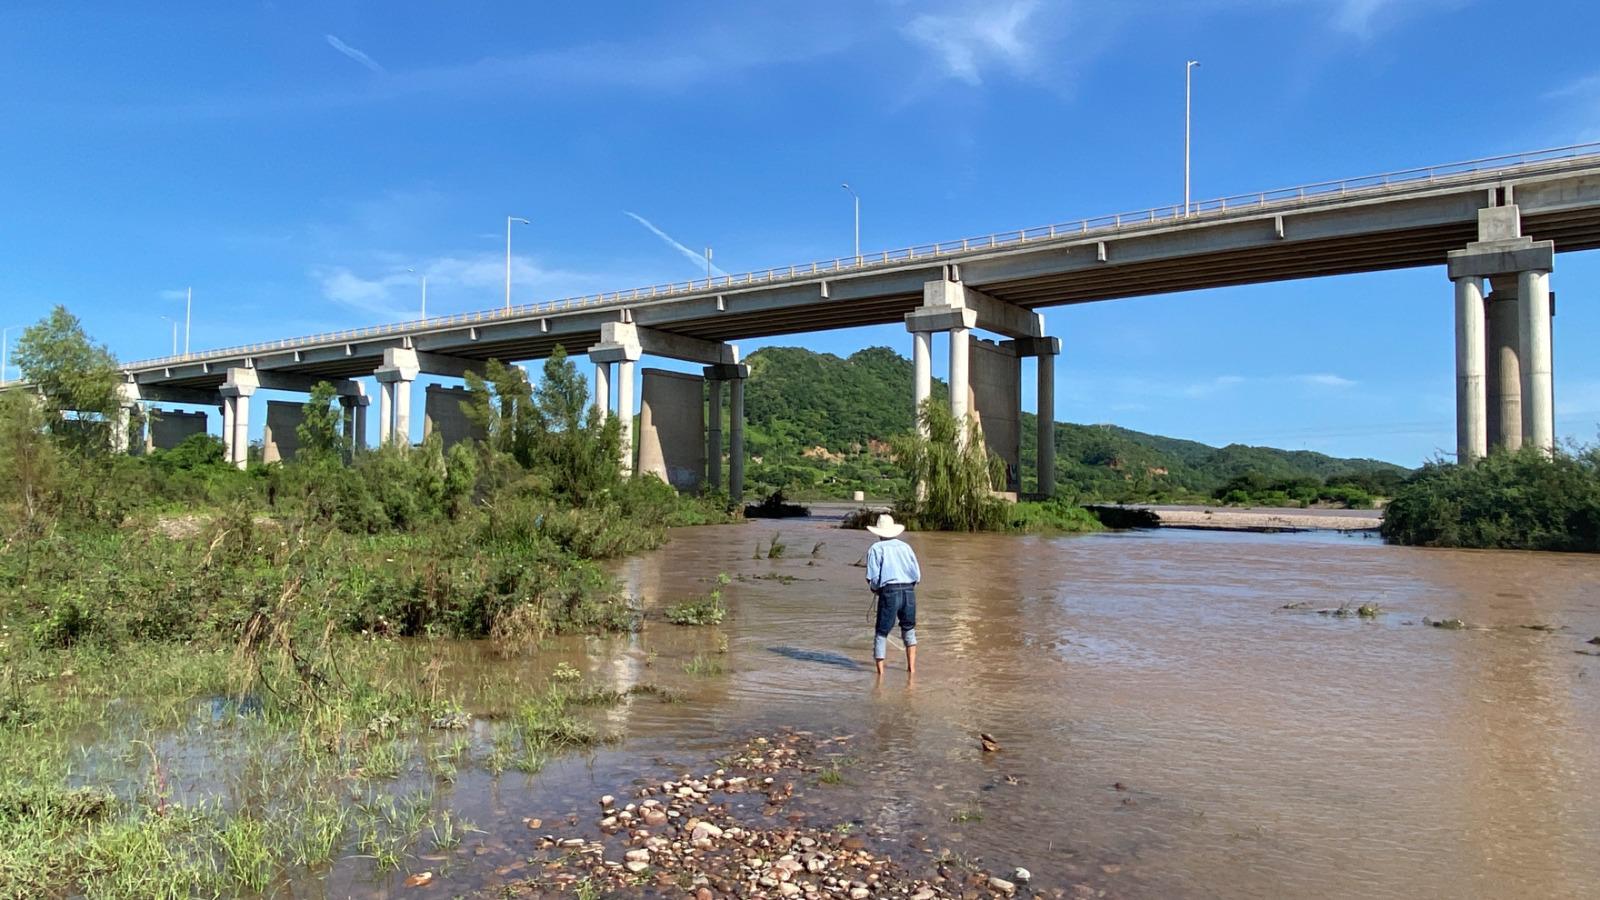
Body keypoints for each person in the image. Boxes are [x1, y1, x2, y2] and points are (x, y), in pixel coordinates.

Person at [864, 513, 920, 677]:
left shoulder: (876, 548)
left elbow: (873, 578)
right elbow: (916, 574)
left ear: (878, 532)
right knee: (909, 629)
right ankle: (912, 669)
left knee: (881, 632)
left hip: (889, 592)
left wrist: (876, 589)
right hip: (909, 591)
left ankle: (880, 675)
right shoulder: (905, 547)